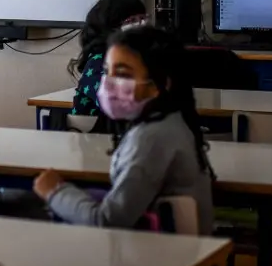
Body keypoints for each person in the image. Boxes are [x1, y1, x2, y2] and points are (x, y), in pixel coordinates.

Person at [33, 25, 215, 233]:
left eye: (123, 75)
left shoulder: (151, 138)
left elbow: (107, 221)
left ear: (159, 84)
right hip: (171, 250)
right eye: (106, 72)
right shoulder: (169, 121)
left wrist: (56, 192)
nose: (109, 83)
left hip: (166, 259)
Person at [67, 0, 147, 133]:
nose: (141, 25)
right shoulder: (99, 62)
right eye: (131, 21)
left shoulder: (137, 57)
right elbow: (118, 104)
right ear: (110, 28)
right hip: (94, 141)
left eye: (143, 18)